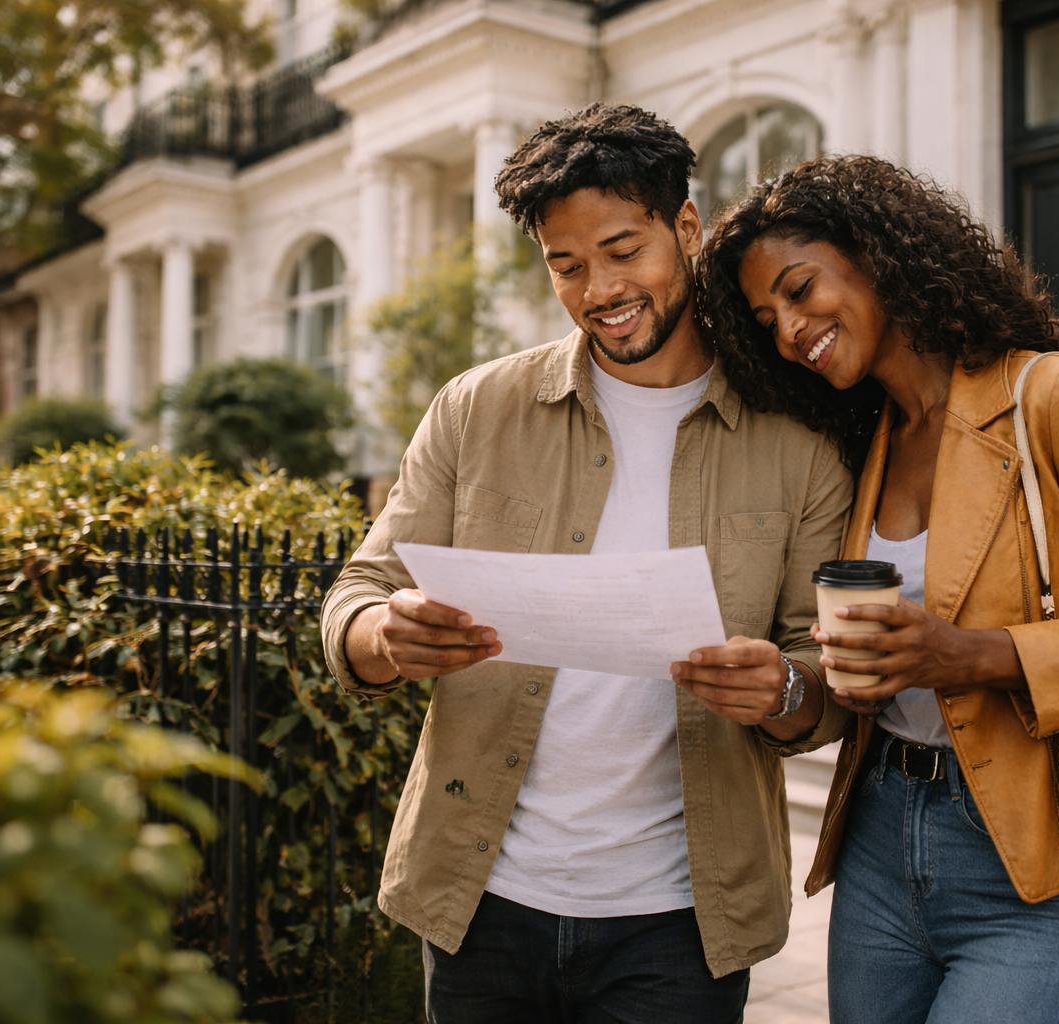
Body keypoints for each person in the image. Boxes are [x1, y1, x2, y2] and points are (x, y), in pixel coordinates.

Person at [319, 104, 853, 1023]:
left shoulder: (796, 441)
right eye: (567, 266)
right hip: (481, 898)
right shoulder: (476, 409)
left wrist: (781, 692)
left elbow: (828, 679)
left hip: (682, 923)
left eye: (621, 251)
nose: (599, 287)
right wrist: (384, 635)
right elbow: (358, 595)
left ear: (685, 229)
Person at [697, 156, 1059, 1024]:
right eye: (768, 320)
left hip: (1031, 850)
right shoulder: (863, 445)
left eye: (801, 290)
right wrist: (791, 681)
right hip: (877, 838)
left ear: (875, 255)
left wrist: (970, 654)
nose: (791, 329)